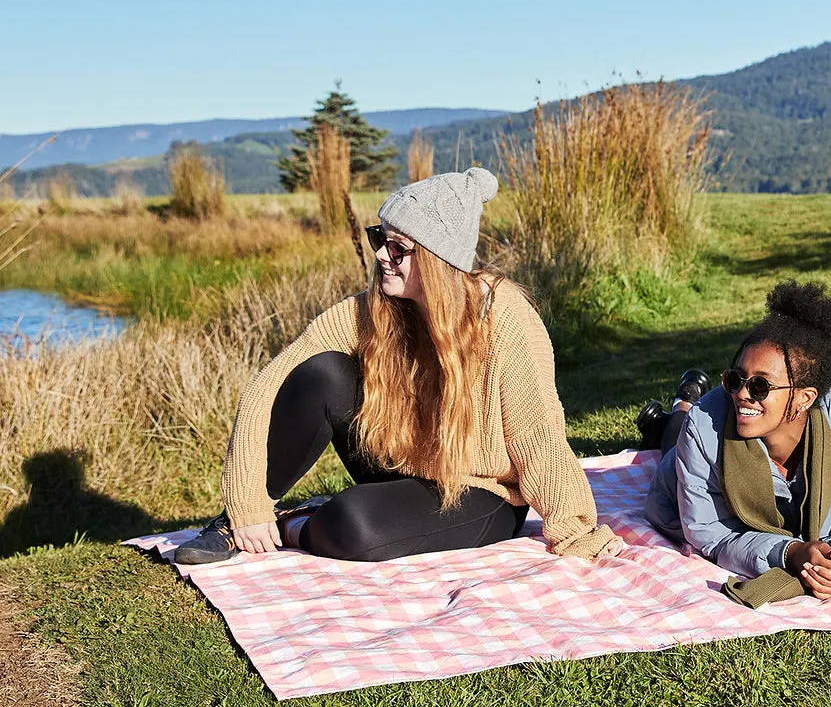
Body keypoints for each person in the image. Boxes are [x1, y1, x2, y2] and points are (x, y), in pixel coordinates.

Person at [176, 167, 620, 567]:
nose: (382, 256)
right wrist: (247, 504)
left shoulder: (502, 315)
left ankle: (295, 523)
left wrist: (575, 528)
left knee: (352, 526)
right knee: (322, 374)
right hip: (405, 459)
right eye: (379, 240)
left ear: (438, 258)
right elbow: (268, 385)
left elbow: (535, 428)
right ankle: (235, 526)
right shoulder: (376, 310)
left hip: (482, 492)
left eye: (399, 248)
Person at [642, 280, 831, 606]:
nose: (741, 394)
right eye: (735, 379)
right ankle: (682, 405)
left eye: (760, 386)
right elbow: (711, 533)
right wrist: (787, 552)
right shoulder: (703, 427)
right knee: (677, 436)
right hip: (675, 481)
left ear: (804, 397)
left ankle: (677, 407)